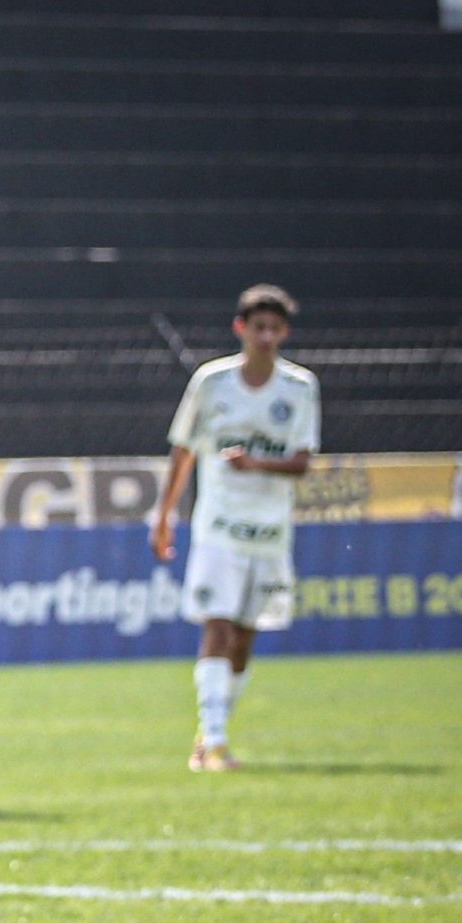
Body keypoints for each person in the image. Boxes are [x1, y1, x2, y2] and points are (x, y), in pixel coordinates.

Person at [150, 285, 320, 772]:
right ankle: (217, 744)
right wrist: (163, 516)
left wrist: (257, 464)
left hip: (268, 532)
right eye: (257, 327)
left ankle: (210, 734)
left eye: (275, 328)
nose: (266, 337)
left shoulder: (300, 387)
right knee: (218, 626)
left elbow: (303, 463)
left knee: (244, 637)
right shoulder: (212, 381)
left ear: (284, 333)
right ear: (240, 329)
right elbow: (183, 449)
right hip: (217, 527)